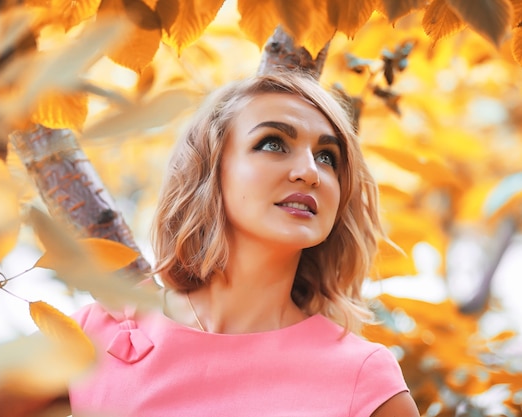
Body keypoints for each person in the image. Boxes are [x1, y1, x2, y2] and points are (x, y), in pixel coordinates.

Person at [67, 71, 420, 417]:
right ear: (210, 170)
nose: (310, 172)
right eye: (273, 143)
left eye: (327, 156)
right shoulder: (96, 334)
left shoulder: (364, 379)